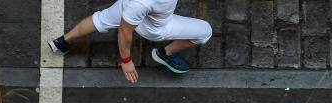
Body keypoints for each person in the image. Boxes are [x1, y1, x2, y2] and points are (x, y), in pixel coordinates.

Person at [48, 0, 213, 81]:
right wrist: (126, 60)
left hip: (125, 4)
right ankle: (164, 53)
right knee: (205, 31)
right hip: (152, 27)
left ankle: (62, 41)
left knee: (99, 20)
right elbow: (125, 31)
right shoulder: (142, 3)